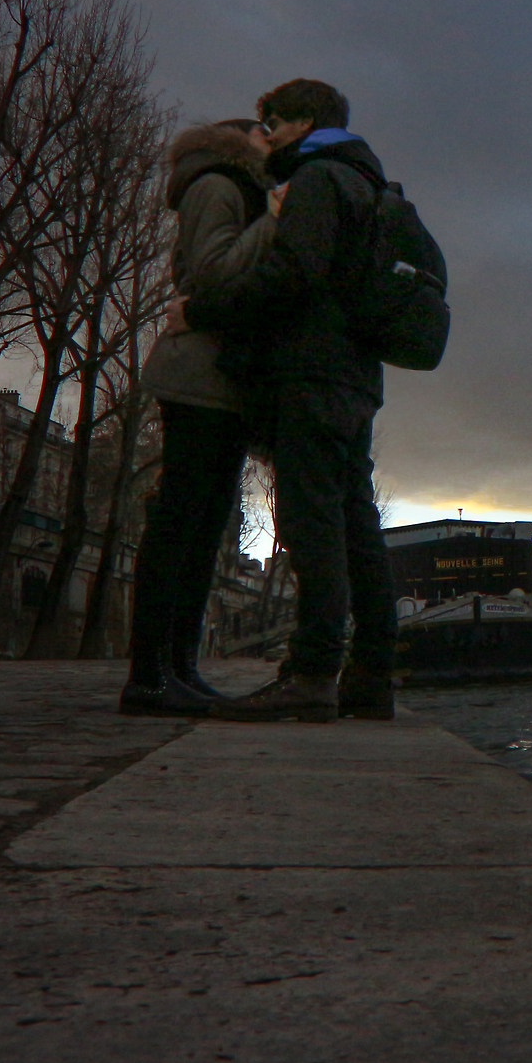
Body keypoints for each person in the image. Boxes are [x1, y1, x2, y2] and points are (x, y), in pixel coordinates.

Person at [174, 78, 398, 722]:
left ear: (300, 124)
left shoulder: (320, 180)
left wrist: (202, 309)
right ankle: (373, 675)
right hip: (356, 376)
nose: (264, 137)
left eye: (270, 125)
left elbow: (292, 273)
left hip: (311, 373)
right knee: (358, 525)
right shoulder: (369, 182)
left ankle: (312, 672)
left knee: (311, 524)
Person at [120, 118, 276, 715]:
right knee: (181, 522)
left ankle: (177, 667)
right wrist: (277, 226)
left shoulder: (229, 188)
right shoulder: (220, 185)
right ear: (243, 144)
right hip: (198, 376)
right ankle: (151, 674)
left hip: (218, 378)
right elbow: (214, 274)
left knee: (203, 525)